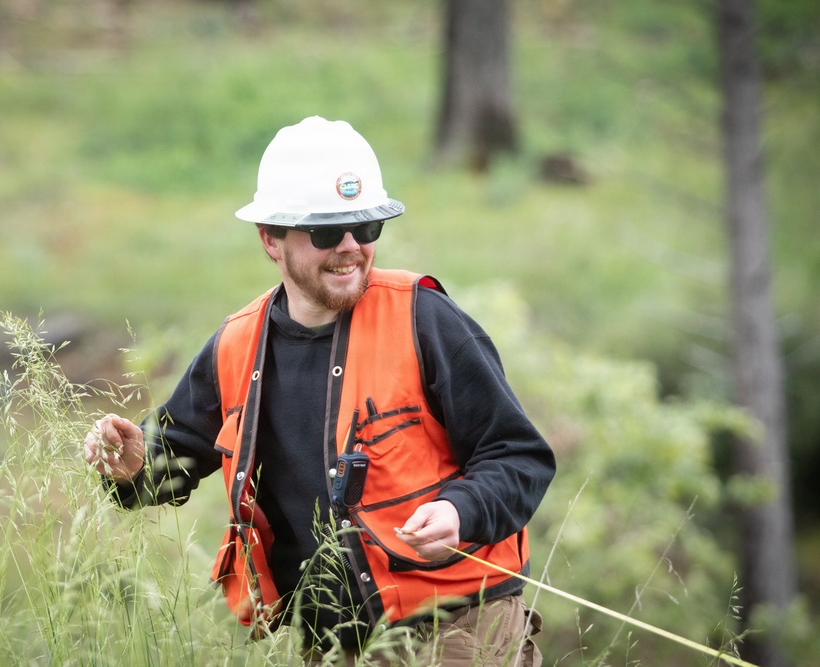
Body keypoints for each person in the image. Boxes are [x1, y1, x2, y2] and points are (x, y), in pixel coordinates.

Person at [83, 116, 556, 666]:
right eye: (328, 232)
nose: (351, 247)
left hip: (459, 629)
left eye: (367, 227)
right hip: (331, 648)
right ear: (271, 239)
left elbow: (520, 456)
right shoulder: (236, 346)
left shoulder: (425, 319)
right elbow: (168, 460)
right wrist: (131, 468)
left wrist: (460, 510)